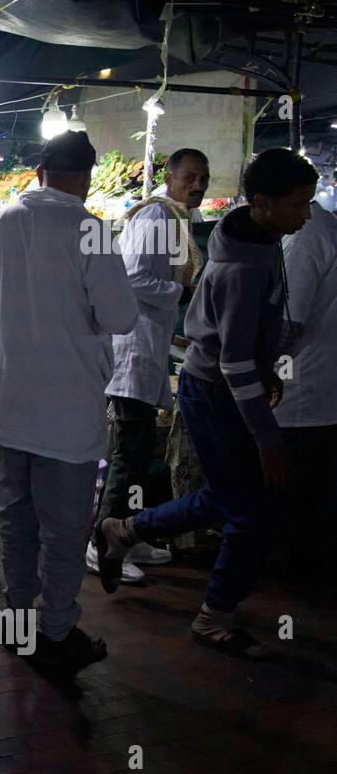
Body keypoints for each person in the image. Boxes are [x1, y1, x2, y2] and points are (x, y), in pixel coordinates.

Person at [97, 149, 319, 660]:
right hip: (213, 391)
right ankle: (214, 614)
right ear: (262, 203)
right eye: (297, 204)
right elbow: (234, 362)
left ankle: (126, 527)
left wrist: (270, 364)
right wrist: (269, 439)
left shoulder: (256, 241)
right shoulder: (230, 263)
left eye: (204, 177)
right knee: (248, 510)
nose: (305, 215)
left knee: (229, 497)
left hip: (215, 384)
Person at [0, 131, 138, 672]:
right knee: (63, 528)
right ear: (85, 178)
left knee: (16, 521)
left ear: (39, 171)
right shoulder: (91, 231)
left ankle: (18, 621)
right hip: (68, 413)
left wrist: (22, 326)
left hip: (10, 406)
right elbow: (122, 318)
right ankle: (56, 629)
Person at [88, 148, 209, 584]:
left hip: (148, 347)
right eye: (190, 177)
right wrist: (180, 294)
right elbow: (133, 276)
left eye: (204, 178)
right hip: (131, 350)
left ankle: (129, 533)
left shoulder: (175, 216)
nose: (198, 185)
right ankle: (102, 540)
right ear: (171, 176)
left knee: (138, 452)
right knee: (130, 449)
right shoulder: (157, 218)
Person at [272, 199, 337, 570]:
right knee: (312, 491)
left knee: (290, 487)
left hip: (299, 387)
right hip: (317, 387)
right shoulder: (324, 226)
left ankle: (284, 566)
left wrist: (260, 367)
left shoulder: (306, 234)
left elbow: (289, 320)